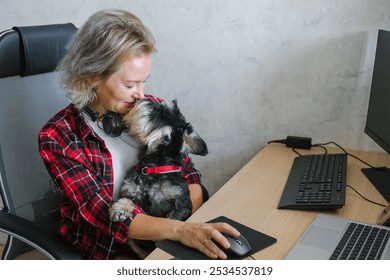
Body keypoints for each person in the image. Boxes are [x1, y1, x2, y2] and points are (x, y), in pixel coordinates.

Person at [38, 8, 239, 260]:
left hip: (168, 233)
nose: (141, 95)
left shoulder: (153, 109)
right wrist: (180, 231)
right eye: (130, 85)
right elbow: (101, 214)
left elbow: (188, 175)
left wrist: (187, 225)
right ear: (91, 77)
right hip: (109, 248)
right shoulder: (58, 136)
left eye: (144, 81)